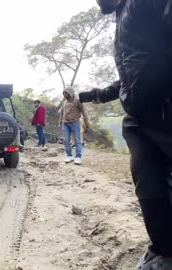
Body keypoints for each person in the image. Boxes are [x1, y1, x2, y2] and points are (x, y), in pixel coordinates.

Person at [79, 0, 172, 268]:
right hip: (139, 117)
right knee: (148, 180)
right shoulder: (122, 15)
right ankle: (163, 250)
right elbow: (134, 73)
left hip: (165, 107)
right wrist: (96, 95)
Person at [59, 87, 90, 165]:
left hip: (75, 123)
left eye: (66, 93)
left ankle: (78, 157)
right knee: (66, 140)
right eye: (64, 93)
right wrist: (60, 122)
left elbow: (84, 112)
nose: (64, 95)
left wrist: (87, 123)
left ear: (71, 93)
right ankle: (69, 155)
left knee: (77, 140)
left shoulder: (78, 101)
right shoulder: (64, 103)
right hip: (65, 123)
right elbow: (61, 113)